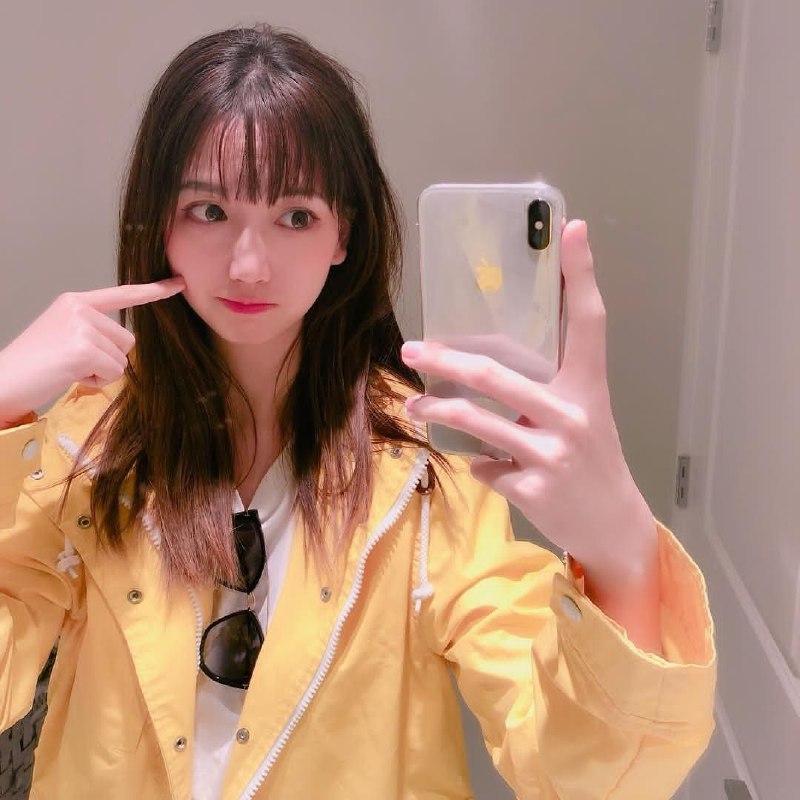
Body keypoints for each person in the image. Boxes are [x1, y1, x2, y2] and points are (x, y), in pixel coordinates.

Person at [0, 23, 716, 800]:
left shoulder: (423, 475)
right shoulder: (83, 445)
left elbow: (584, 775)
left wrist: (620, 554)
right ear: (159, 223)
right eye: (209, 210)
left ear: (343, 232)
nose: (249, 263)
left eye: (295, 216)